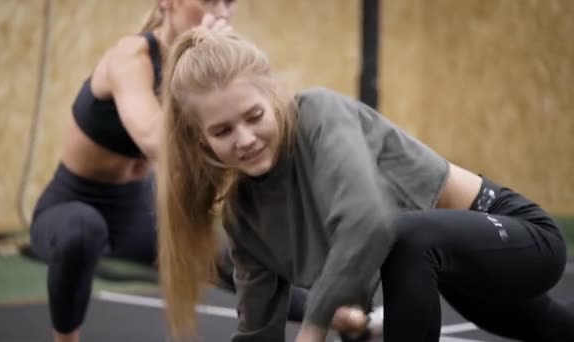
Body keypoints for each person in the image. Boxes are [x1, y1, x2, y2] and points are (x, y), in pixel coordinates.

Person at [155, 26, 574, 342]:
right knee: (557, 329)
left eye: (253, 116)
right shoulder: (243, 219)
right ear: (201, 139)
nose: (244, 139)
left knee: (407, 233)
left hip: (517, 236)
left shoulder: (319, 114)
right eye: (223, 131)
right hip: (456, 276)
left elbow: (369, 223)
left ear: (274, 97)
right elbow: (257, 330)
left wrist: (314, 327)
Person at [28, 1, 373, 341]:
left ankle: (341, 317)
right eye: (209, 0)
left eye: (229, 2)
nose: (221, 10)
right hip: (73, 202)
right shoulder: (131, 56)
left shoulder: (202, 73)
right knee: (81, 232)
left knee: (235, 253)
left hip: (139, 209)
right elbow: (155, 141)